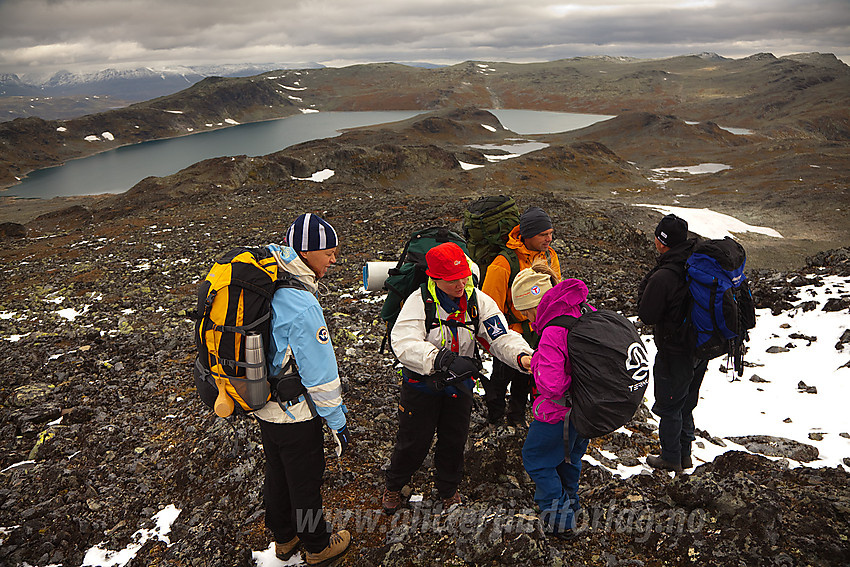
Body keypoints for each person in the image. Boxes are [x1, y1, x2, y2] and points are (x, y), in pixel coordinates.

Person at [382, 242, 534, 515]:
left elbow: (499, 336)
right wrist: (441, 359)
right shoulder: (419, 302)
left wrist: (523, 357)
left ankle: (448, 490)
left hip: (460, 386)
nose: (460, 285)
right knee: (413, 442)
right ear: (435, 278)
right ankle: (394, 485)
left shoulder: (478, 301)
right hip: (421, 386)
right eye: (452, 280)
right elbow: (403, 342)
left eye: (463, 278)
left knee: (454, 441)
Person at [253, 213, 352, 565]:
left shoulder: (267, 282)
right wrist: (336, 421)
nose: (334, 260)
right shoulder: (302, 303)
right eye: (330, 252)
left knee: (277, 472)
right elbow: (320, 373)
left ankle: (284, 539)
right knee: (306, 482)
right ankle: (317, 545)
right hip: (295, 412)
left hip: (263, 402)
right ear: (307, 252)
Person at [514, 263, 592, 540]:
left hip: (559, 414)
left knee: (536, 459)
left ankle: (559, 522)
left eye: (525, 311)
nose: (526, 318)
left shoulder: (551, 332)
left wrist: (535, 363)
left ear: (535, 304)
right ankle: (572, 507)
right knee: (568, 460)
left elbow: (552, 384)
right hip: (587, 410)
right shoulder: (582, 310)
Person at [637, 213, 708, 473]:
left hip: (675, 349)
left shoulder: (665, 275)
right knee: (687, 401)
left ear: (661, 241)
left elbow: (647, 315)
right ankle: (685, 455)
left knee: (670, 405)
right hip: (700, 347)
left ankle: (670, 458)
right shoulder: (697, 262)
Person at [481, 206, 561, 427]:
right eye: (543, 234)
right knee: (500, 378)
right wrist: (498, 338)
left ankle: (516, 418)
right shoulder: (503, 263)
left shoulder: (549, 256)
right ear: (527, 235)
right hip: (511, 332)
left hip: (539, 331)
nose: (549, 239)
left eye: (551, 233)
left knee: (528, 377)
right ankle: (494, 417)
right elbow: (489, 305)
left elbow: (556, 291)